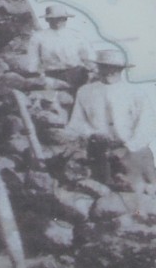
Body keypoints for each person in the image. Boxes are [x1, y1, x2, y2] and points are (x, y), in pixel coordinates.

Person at [65, 49, 156, 190]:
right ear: (98, 68)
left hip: (132, 152)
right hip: (98, 152)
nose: (109, 71)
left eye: (114, 68)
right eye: (104, 67)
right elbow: (77, 123)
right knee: (101, 191)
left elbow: (147, 125)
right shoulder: (85, 91)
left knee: (140, 193)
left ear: (121, 70)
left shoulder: (135, 93)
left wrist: (128, 148)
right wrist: (91, 135)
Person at [26, 5, 94, 94]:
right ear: (47, 20)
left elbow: (88, 56)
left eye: (61, 18)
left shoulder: (76, 36)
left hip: (76, 74)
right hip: (52, 76)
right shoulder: (38, 37)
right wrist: (39, 75)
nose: (57, 21)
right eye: (53, 19)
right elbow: (33, 59)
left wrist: (92, 71)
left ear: (66, 19)